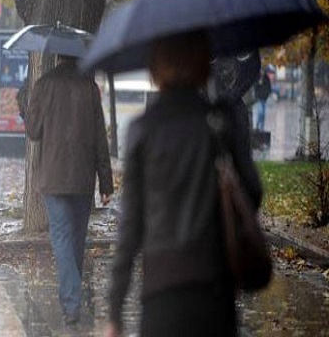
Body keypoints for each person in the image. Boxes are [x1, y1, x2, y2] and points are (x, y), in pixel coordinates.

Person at [104, 32, 262, 337]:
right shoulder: (220, 120)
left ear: (156, 67)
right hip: (215, 288)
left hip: (161, 292)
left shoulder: (143, 129)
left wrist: (115, 310)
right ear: (204, 63)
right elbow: (253, 192)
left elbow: (130, 228)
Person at [24, 55, 113, 325]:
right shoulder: (89, 87)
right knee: (75, 238)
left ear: (57, 56)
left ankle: (72, 301)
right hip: (83, 178)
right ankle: (72, 298)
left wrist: (26, 107)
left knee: (62, 237)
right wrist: (105, 183)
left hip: (53, 177)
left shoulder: (44, 84)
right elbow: (101, 138)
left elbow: (33, 132)